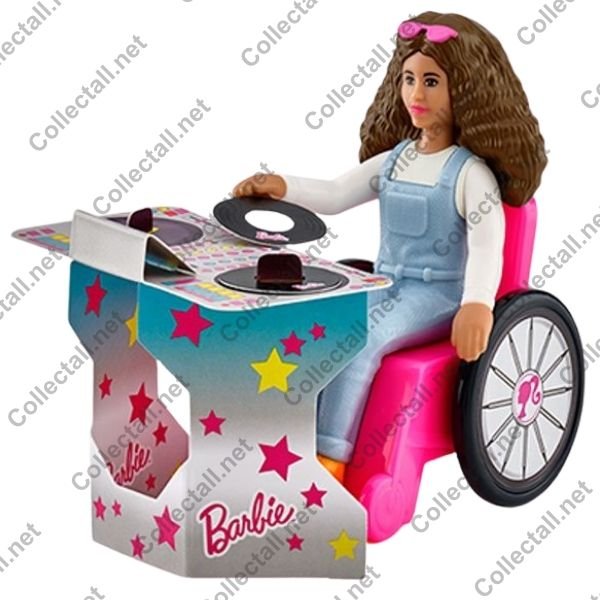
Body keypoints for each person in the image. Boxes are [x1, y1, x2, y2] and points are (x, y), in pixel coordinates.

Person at [232, 12, 547, 482]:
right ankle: (282, 438)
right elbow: (336, 193)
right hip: (383, 282)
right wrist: (283, 185)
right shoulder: (396, 160)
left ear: (464, 89)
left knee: (364, 342)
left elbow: (486, 246)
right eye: (409, 79)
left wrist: (478, 305)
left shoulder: (470, 174)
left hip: (436, 296)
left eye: (432, 82)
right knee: (318, 327)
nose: (417, 94)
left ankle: (329, 459)